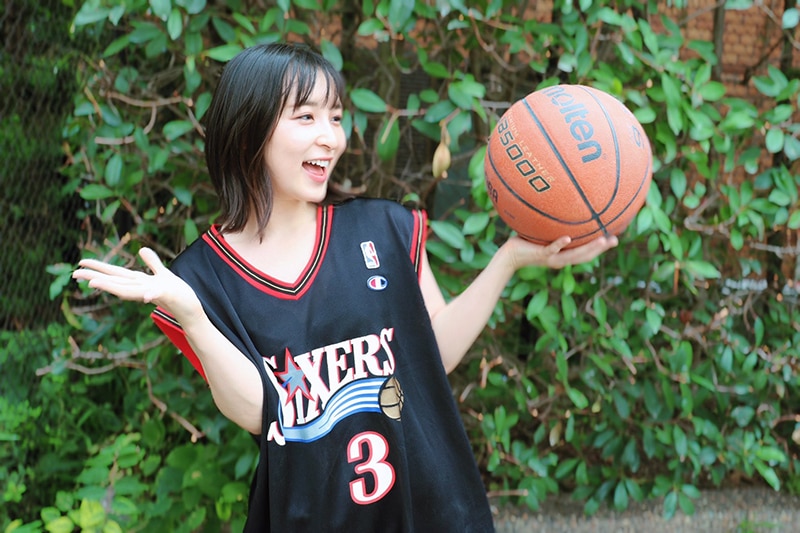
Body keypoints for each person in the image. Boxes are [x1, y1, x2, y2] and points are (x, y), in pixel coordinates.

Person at [72, 43, 617, 532]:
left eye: (335, 117)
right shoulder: (199, 279)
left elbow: (433, 354)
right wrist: (193, 317)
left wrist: (509, 259)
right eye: (306, 116)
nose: (330, 137)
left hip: (432, 508)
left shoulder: (382, 227)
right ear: (249, 130)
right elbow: (260, 412)